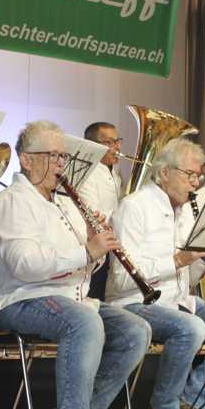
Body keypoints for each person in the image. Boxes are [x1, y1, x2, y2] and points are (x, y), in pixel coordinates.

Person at [0, 120, 150, 409]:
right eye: (53, 155)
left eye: (63, 156)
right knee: (83, 323)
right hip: (19, 298)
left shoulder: (65, 203)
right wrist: (87, 249)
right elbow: (24, 265)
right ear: (27, 159)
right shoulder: (13, 201)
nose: (61, 163)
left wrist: (96, 247)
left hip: (69, 298)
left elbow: (86, 267)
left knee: (137, 331)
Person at [106, 138, 205, 409]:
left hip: (179, 300)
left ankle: (189, 400)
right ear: (163, 174)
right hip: (136, 302)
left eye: (198, 176)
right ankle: (162, 406)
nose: (196, 183)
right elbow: (123, 278)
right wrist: (178, 258)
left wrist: (202, 256)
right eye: (190, 175)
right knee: (190, 329)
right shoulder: (134, 207)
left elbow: (190, 274)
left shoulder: (185, 211)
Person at [79, 122, 126, 300]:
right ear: (93, 145)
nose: (117, 147)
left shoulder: (115, 174)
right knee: (95, 295)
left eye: (118, 141)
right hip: (95, 246)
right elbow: (92, 213)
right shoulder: (87, 172)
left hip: (112, 245)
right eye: (109, 143)